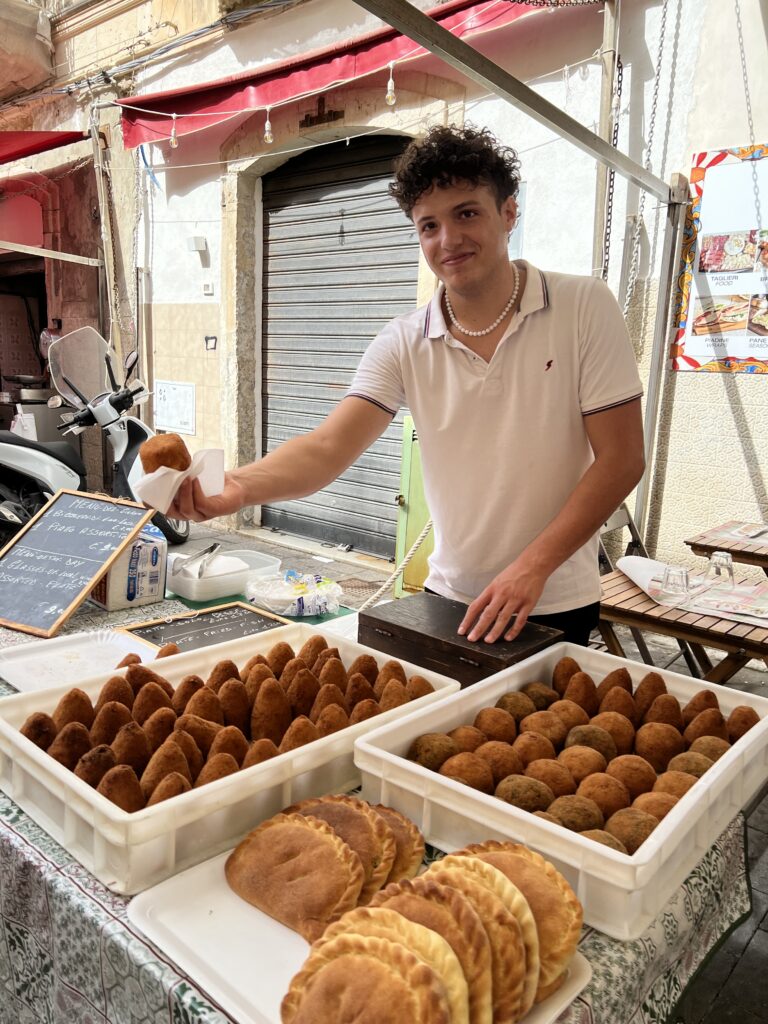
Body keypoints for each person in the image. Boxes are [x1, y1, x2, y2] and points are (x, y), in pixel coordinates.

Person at [170, 125, 645, 646]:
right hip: (450, 599)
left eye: (467, 213)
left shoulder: (582, 306)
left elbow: (622, 459)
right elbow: (328, 447)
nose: (449, 240)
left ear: (509, 212)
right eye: (429, 225)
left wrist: (532, 567)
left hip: (556, 601)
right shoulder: (403, 341)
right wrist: (238, 487)